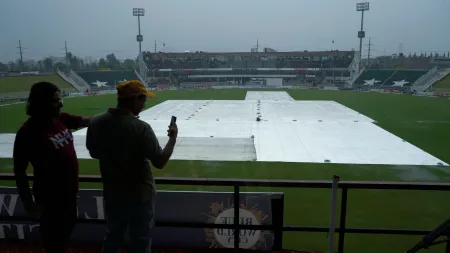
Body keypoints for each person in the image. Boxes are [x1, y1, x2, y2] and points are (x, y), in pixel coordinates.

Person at [86, 80, 178, 253]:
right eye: (143, 100)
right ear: (134, 99)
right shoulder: (141, 128)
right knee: (141, 242)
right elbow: (160, 161)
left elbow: (94, 153)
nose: (144, 104)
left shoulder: (96, 122)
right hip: (139, 196)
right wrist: (172, 139)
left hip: (112, 193)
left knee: (113, 237)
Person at [13, 81, 91, 253]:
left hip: (69, 194)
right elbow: (19, 171)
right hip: (49, 199)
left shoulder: (60, 118)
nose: (61, 103)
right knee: (52, 238)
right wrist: (29, 204)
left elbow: (88, 121)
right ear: (42, 103)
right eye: (56, 101)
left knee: (65, 232)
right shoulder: (27, 132)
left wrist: (116, 116)